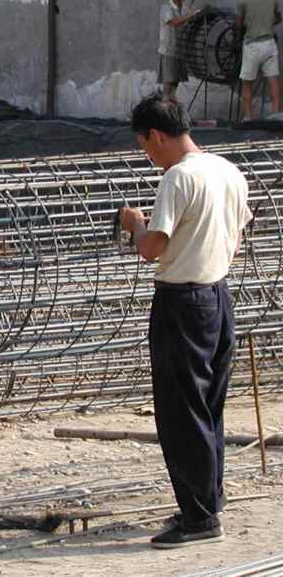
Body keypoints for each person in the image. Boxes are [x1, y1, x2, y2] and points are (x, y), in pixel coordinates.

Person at [119, 95, 252, 548]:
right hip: (218, 295)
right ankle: (208, 500)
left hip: (182, 302)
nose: (148, 156)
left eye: (145, 147)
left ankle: (198, 519)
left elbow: (152, 248)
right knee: (209, 404)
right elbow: (235, 238)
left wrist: (134, 222)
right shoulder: (228, 171)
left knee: (180, 412)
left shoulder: (177, 179)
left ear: (156, 135)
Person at [236, 0, 282, 120]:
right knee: (273, 80)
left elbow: (239, 24)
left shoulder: (243, 1)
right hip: (269, 44)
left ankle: (247, 116)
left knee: (247, 83)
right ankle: (276, 114)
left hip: (252, 45)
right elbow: (278, 18)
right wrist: (266, 24)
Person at [158, 0, 198, 102]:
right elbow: (174, 22)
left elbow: (187, 23)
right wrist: (190, 15)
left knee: (175, 83)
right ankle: (165, 107)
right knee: (168, 83)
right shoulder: (166, 8)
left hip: (180, 51)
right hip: (168, 51)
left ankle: (172, 107)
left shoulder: (185, 9)